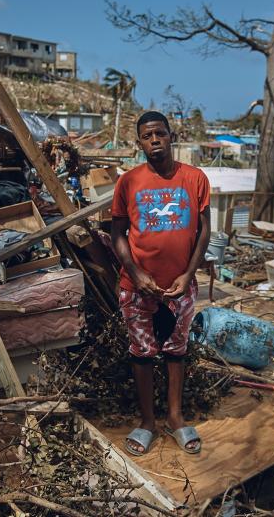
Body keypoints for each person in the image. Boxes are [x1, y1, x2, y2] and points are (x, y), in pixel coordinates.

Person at [111, 110, 211, 456]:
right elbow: (117, 235)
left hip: (180, 287)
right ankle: (147, 421)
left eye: (160, 134)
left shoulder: (195, 178)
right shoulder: (128, 182)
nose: (154, 140)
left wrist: (188, 274)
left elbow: (204, 231)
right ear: (139, 142)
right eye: (147, 136)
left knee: (176, 350)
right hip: (137, 287)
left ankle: (175, 417)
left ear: (171, 136)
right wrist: (135, 272)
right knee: (142, 353)